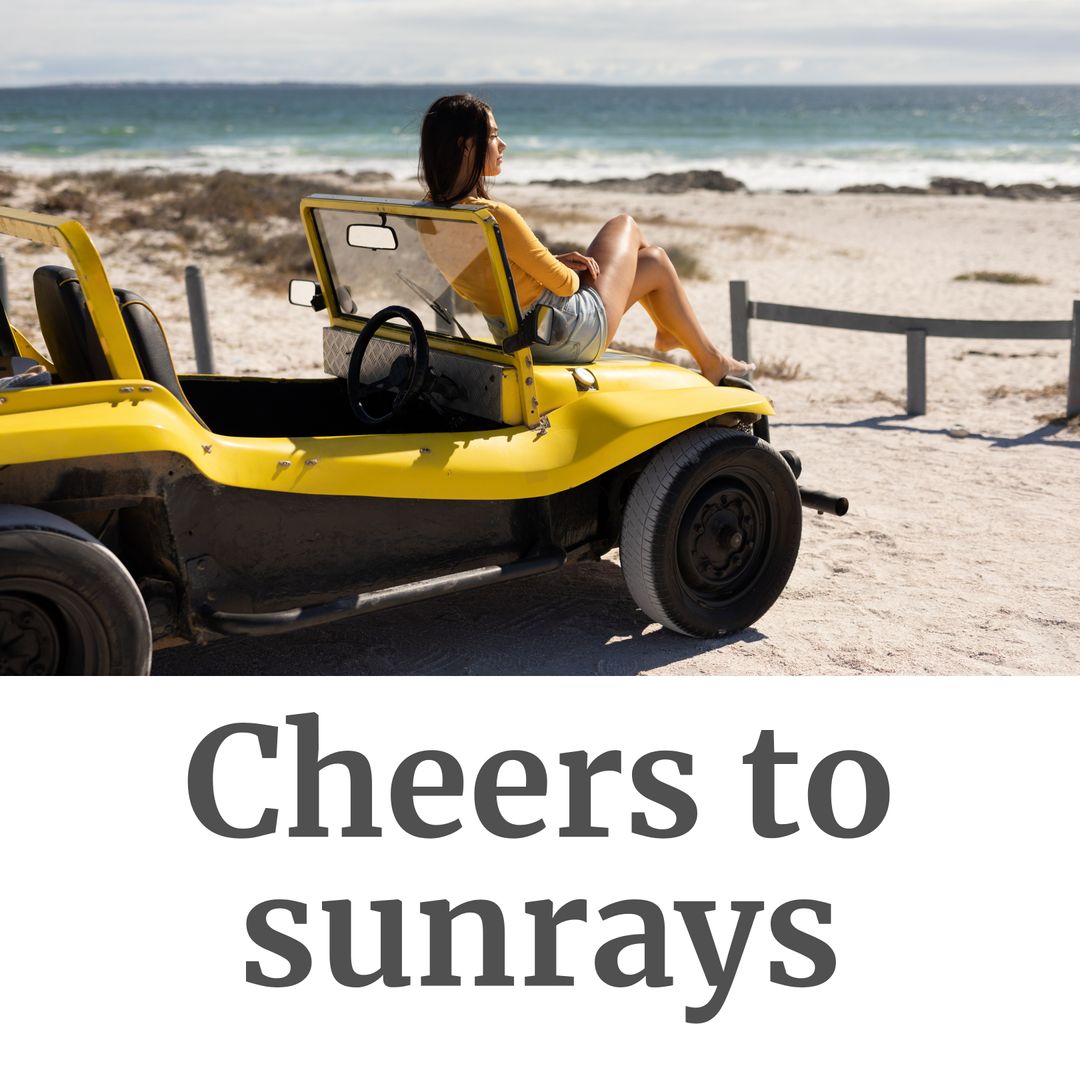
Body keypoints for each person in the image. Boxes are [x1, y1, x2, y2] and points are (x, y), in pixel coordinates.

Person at [417, 93, 752, 383]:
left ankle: (694, 348)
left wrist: (542, 263)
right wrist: (557, 267)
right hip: (566, 333)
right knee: (627, 225)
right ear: (467, 146)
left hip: (513, 336)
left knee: (655, 261)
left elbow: (483, 277)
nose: (502, 145)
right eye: (492, 136)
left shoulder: (430, 217)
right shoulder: (496, 216)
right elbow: (566, 286)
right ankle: (684, 340)